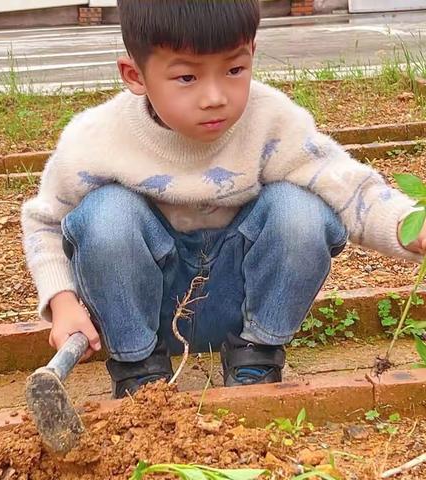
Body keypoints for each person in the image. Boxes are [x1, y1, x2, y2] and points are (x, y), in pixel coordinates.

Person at [21, 0, 424, 399]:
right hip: (149, 306)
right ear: (135, 74)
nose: (215, 96)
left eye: (234, 70)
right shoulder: (95, 139)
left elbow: (344, 184)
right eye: (186, 78)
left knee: (300, 208)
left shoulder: (271, 121)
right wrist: (62, 302)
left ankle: (256, 360)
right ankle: (140, 376)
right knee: (106, 214)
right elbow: (46, 221)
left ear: (252, 53)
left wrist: (409, 225)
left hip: (241, 296)